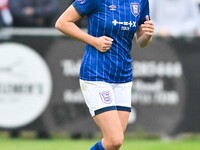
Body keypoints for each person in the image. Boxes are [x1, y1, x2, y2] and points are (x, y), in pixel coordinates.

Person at [55, 0, 154, 149]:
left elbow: (141, 41)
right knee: (115, 140)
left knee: (113, 145)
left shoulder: (140, 1)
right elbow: (62, 23)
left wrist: (147, 35)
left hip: (123, 76)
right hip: (96, 73)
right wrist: (93, 41)